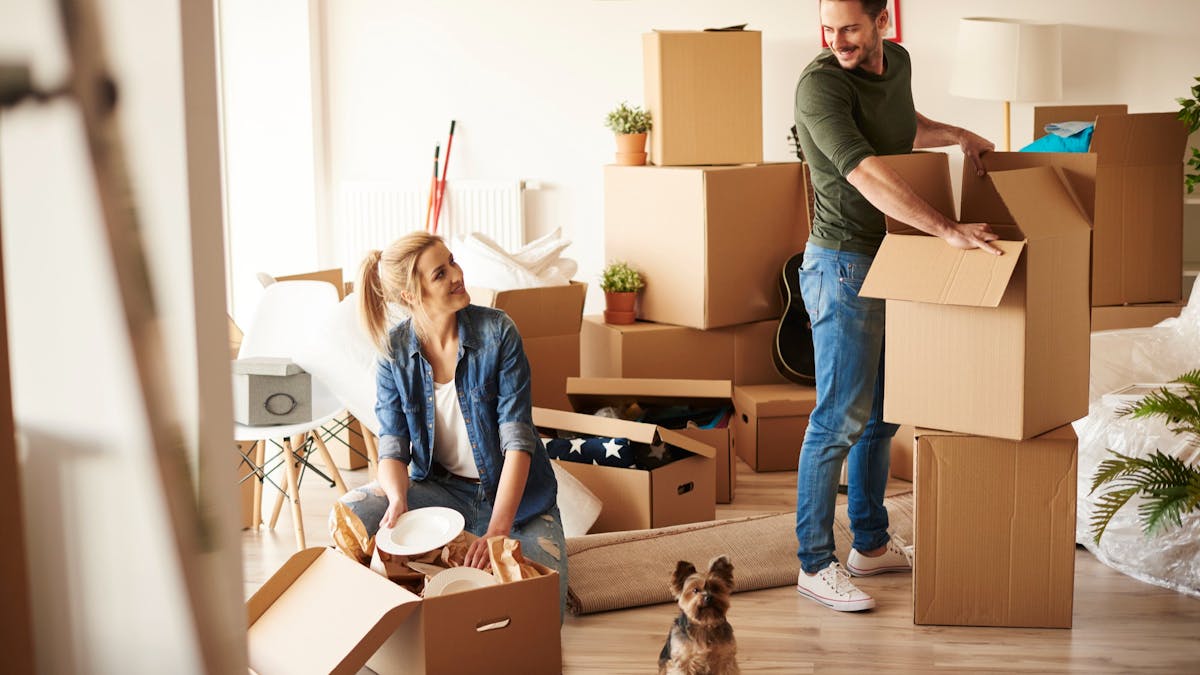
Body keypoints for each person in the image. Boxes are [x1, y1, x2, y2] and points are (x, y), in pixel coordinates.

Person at [792, 0, 1002, 612]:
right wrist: (947, 229)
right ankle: (814, 563)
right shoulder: (820, 84)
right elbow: (864, 169)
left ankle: (871, 545)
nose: (838, 41)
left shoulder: (898, 62)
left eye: (850, 28)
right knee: (837, 420)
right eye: (828, 29)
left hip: (893, 257)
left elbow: (901, 127)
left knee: (882, 417)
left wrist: (959, 134)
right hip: (842, 264)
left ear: (884, 22)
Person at [335, 231, 569, 614]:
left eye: (452, 262)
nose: (457, 275)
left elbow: (518, 444)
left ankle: (460, 556)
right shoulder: (393, 352)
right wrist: (397, 501)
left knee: (541, 608)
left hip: (519, 501)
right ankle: (397, 608)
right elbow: (393, 445)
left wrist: (496, 532)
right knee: (352, 514)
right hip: (442, 493)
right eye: (439, 274)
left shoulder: (498, 333)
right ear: (411, 296)